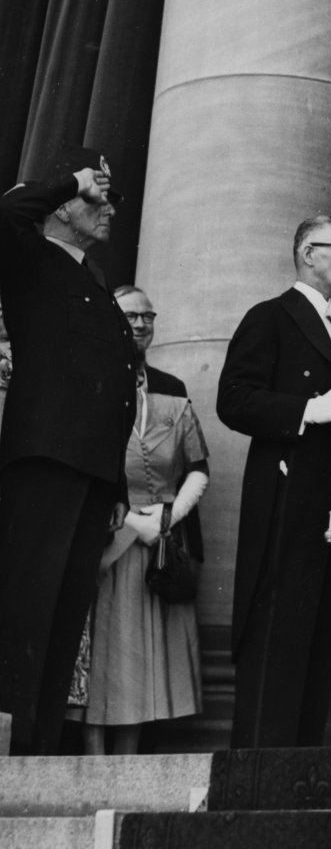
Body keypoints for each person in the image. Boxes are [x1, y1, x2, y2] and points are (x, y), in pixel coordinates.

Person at [217, 214, 331, 748]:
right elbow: (233, 400)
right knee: (279, 634)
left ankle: (298, 770)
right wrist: (309, 409)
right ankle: (262, 772)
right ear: (309, 253)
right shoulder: (272, 317)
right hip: (291, 503)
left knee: (316, 637)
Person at [0, 148, 139, 754]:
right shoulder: (29, 258)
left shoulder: (94, 280)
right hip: (46, 462)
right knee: (27, 608)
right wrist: (67, 180)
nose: (108, 207)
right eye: (96, 196)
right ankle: (9, 742)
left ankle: (37, 751)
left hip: (91, 472)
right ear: (61, 206)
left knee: (62, 622)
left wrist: (117, 485)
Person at [81, 285, 209, 753]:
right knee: (101, 652)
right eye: (131, 316)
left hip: (157, 543)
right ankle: (94, 758)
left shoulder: (171, 389)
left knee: (141, 655)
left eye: (148, 317)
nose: (140, 325)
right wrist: (128, 521)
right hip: (106, 539)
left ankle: (129, 756)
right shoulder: (88, 379)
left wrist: (165, 518)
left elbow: (197, 467)